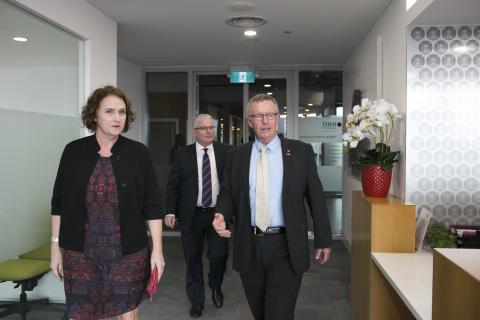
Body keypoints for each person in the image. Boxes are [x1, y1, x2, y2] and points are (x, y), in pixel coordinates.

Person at [212, 94, 333, 320]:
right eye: (258, 116)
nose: (265, 121)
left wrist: (323, 238)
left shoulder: (301, 152)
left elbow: (315, 197)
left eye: (269, 115)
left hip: (286, 247)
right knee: (260, 313)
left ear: (278, 118)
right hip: (249, 246)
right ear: (250, 121)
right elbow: (228, 194)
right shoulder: (235, 157)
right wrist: (221, 213)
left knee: (278, 314)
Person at [50, 85, 165, 320]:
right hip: (80, 253)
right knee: (82, 313)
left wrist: (158, 251)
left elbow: (152, 206)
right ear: (94, 115)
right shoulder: (73, 151)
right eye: (110, 111)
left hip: (128, 252)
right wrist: (55, 247)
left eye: (122, 112)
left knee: (127, 311)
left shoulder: (138, 153)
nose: (117, 118)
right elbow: (58, 203)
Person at [163, 114, 232, 318]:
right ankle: (196, 300)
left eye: (211, 127)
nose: (209, 131)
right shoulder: (182, 155)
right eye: (204, 128)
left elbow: (231, 185)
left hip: (217, 214)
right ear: (195, 132)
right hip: (191, 215)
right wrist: (170, 210)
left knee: (219, 254)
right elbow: (173, 185)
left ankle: (215, 285)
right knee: (192, 258)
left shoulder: (226, 152)